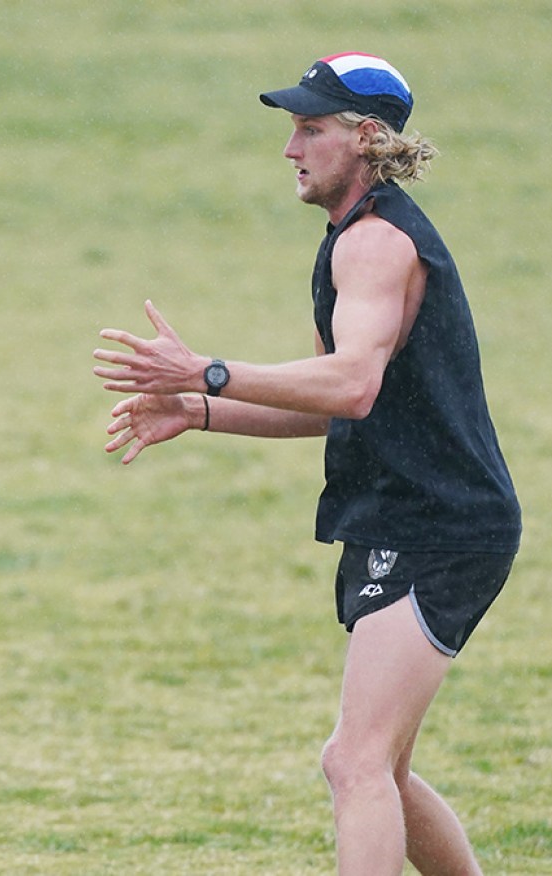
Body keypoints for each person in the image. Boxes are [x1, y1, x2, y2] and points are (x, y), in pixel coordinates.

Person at [92, 53, 520, 875]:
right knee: (379, 766)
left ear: (364, 138)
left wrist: (205, 370)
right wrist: (198, 410)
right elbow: (329, 397)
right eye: (292, 128)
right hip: (416, 515)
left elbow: (350, 384)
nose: (290, 148)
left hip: (438, 527)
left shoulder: (373, 244)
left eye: (309, 128)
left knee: (352, 763)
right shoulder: (352, 240)